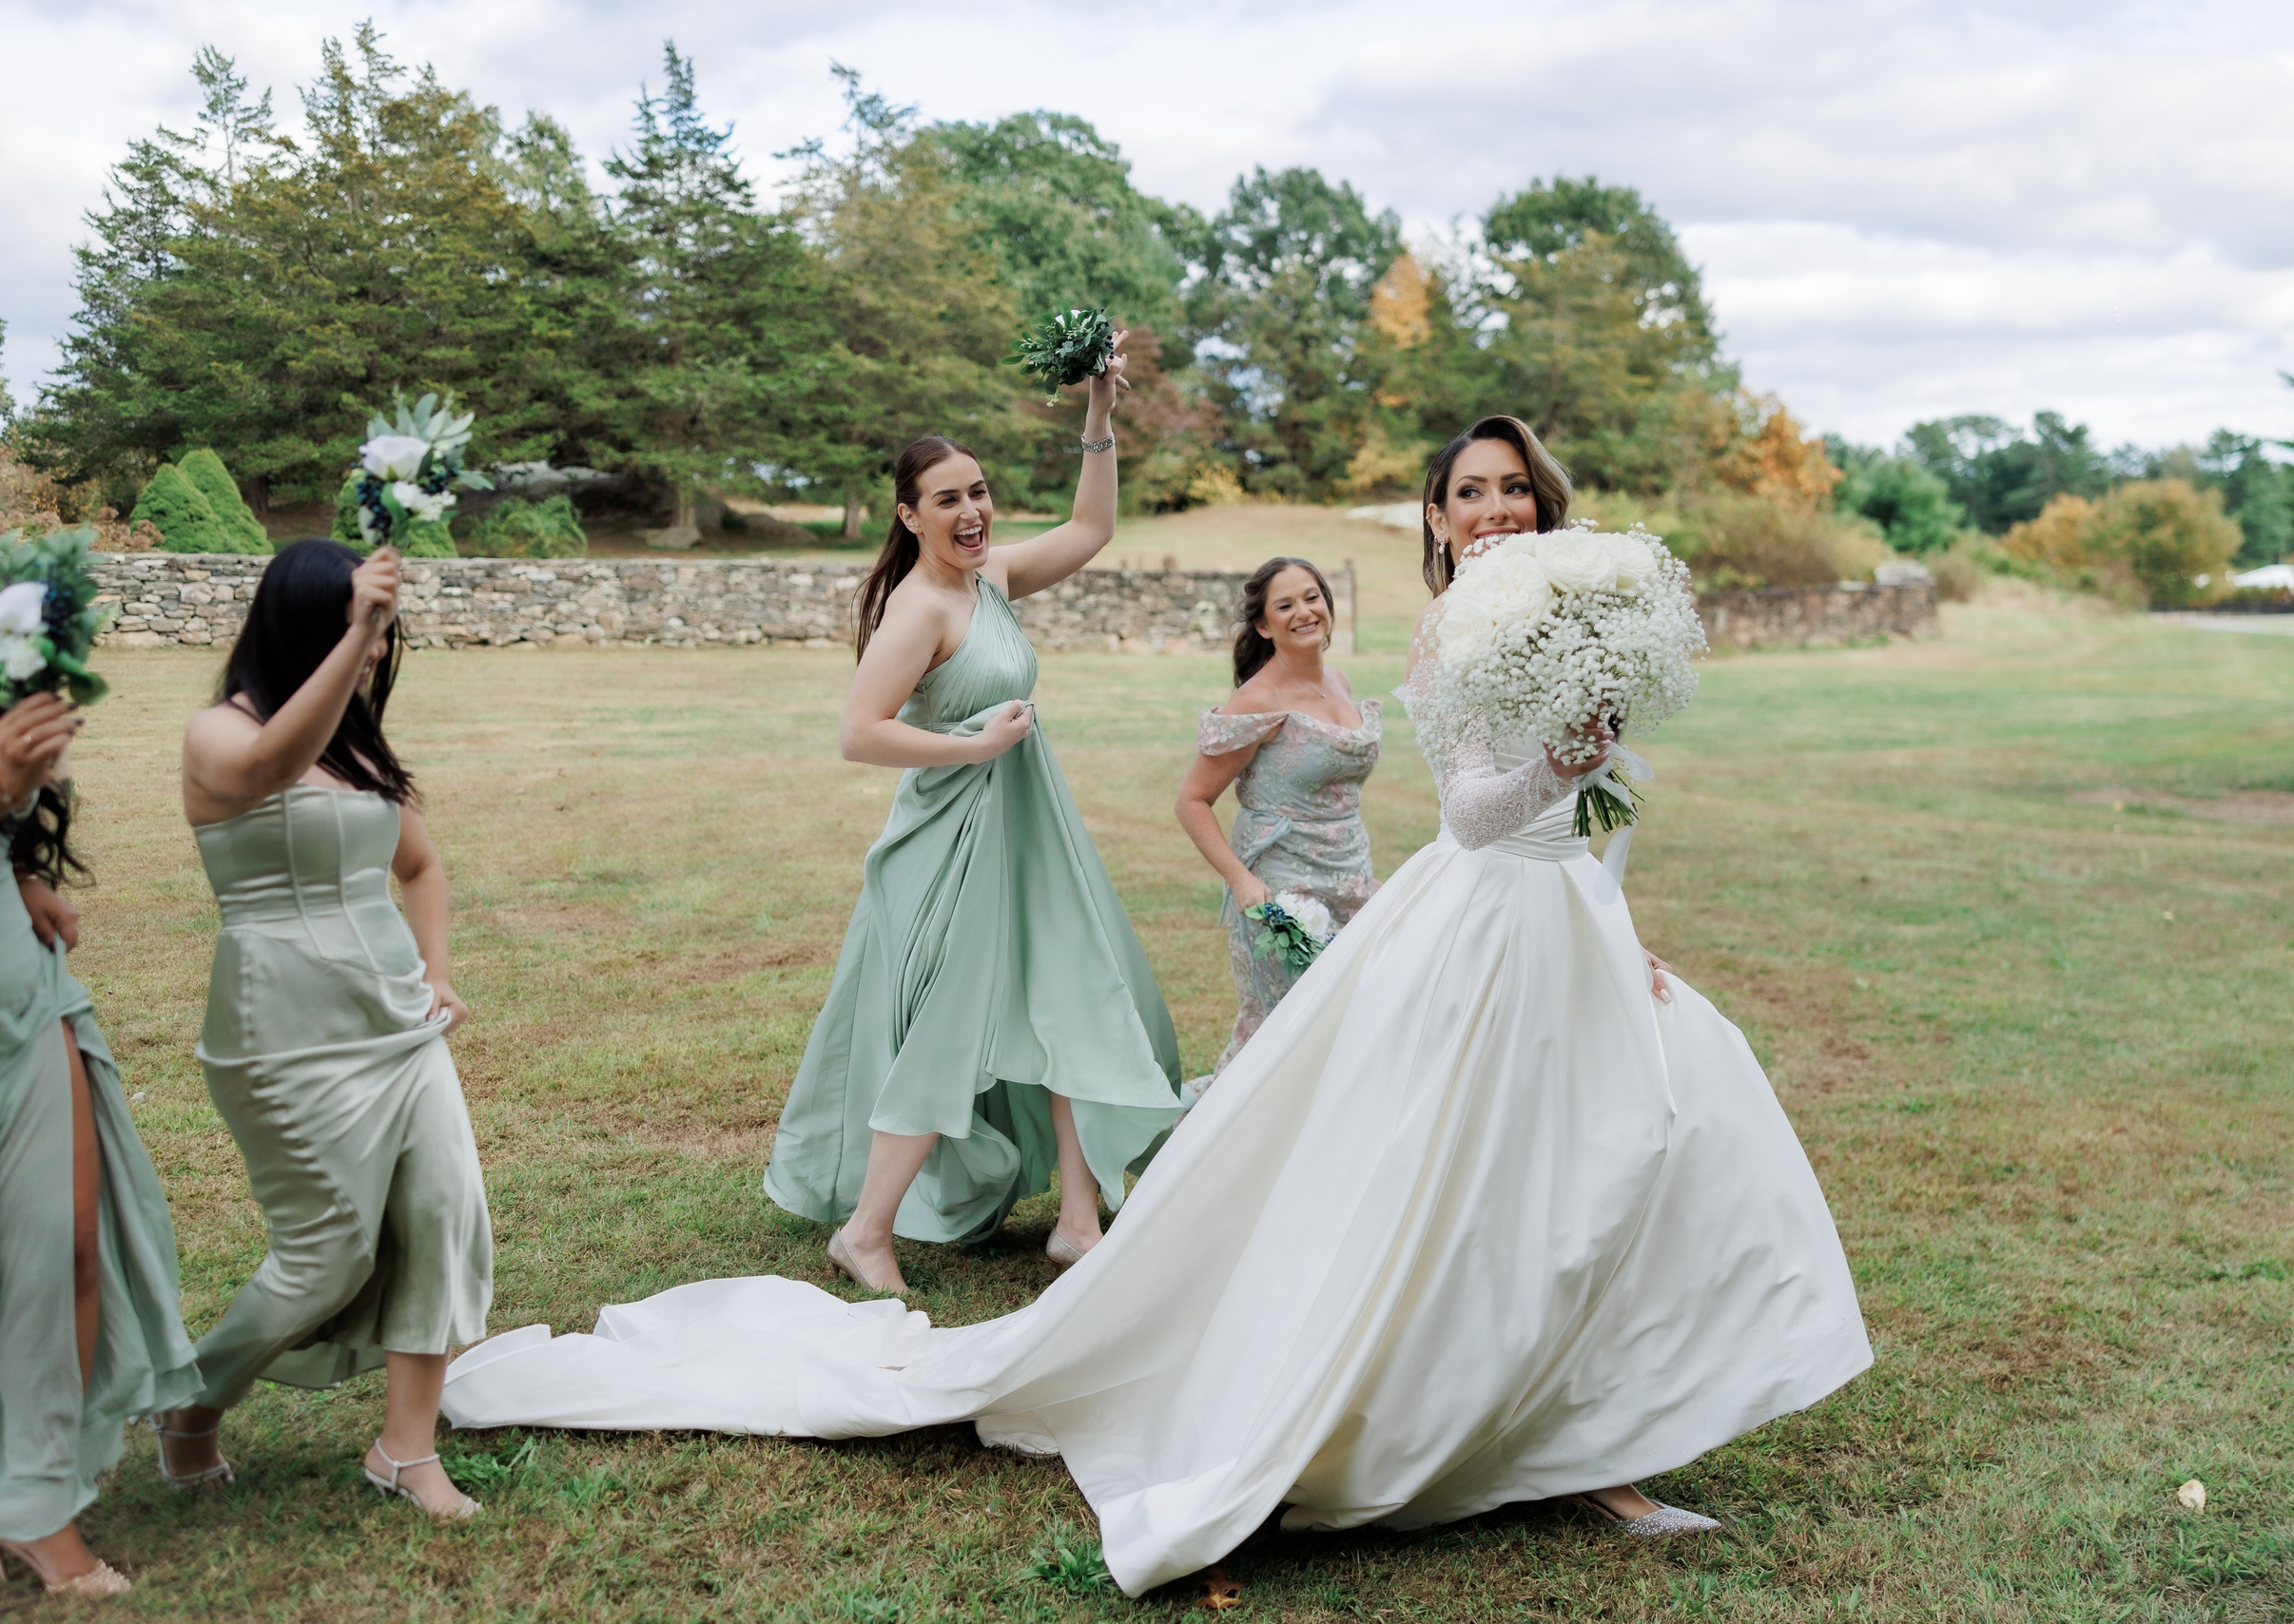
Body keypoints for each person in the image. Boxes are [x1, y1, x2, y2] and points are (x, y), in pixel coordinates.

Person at [439, 414, 1870, 1596]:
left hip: (1572, 926)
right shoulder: (1449, 635)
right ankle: (1520, 1433)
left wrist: (1616, 912)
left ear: (1542, 502)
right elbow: (1476, 812)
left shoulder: (1574, 611)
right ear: (1438, 522)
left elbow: (1599, 810)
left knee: (1640, 1141)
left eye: (1511, 489)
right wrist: (1563, 758)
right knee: (1488, 1183)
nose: (1493, 509)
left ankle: (1599, 1437)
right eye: (1468, 493)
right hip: (1480, 925)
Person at [762, 341, 1183, 1294]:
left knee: (1075, 995)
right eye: (947, 498)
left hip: (1029, 834)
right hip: (954, 843)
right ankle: (865, 1231)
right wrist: (974, 746)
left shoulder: (987, 583)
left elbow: (1089, 527)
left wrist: (1098, 415)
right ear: (908, 515)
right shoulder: (919, 608)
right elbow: (860, 733)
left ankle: (1078, 1220)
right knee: (950, 1027)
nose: (972, 511)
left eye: (979, 492)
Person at [149, 540, 494, 1522]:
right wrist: (358, 633)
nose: (377, 650)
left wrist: (436, 972)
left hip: (395, 1016)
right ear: (307, 622)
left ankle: (405, 1450)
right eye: (361, 628)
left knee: (442, 1212)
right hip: (283, 1026)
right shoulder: (219, 733)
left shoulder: (358, 744)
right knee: (327, 1253)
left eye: (383, 633)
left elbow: (418, 867)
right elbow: (269, 766)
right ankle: (192, 1399)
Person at [0, 689, 199, 1597]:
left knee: (66, 1248)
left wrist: (7, 870)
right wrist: (0, 782)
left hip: (17, 997)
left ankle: (38, 1502)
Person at [1174, 557, 1378, 1093]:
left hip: (1351, 876)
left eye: (1312, 597)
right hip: (1281, 887)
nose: (1303, 612)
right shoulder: (1258, 700)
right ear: (1264, 626)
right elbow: (1192, 800)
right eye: (1284, 605)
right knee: (1286, 1031)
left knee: (1354, 1022)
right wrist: (1241, 879)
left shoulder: (1339, 680)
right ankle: (1217, 1130)